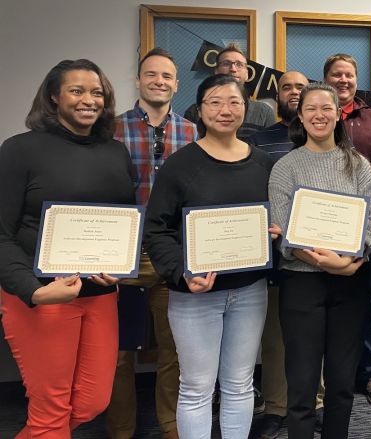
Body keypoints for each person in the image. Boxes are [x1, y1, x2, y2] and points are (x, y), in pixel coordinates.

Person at [0, 58, 136, 436]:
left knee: (94, 401)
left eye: (97, 92)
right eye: (76, 91)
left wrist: (119, 263)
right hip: (43, 294)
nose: (88, 100)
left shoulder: (116, 152)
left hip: (99, 292)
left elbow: (122, 221)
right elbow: (1, 234)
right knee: (51, 408)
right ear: (54, 97)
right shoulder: (19, 150)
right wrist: (35, 290)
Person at [144, 73, 281, 438]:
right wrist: (180, 273)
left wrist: (276, 233)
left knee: (239, 384)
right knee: (196, 388)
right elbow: (156, 229)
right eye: (215, 102)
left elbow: (278, 221)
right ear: (200, 110)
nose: (225, 110)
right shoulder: (180, 165)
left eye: (234, 102)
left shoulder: (265, 165)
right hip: (194, 295)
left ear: (246, 108)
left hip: (250, 291)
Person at [269, 82, 371, 439]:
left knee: (342, 382)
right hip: (301, 284)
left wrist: (348, 264)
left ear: (338, 114)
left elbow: (369, 225)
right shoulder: (286, 167)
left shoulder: (359, 165)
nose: (319, 115)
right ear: (300, 115)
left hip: (351, 283)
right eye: (310, 108)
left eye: (326, 108)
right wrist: (327, 262)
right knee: (301, 386)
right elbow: (284, 231)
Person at [106, 47, 197, 439]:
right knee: (119, 355)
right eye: (151, 74)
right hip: (123, 255)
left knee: (173, 353)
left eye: (167, 76)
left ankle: (171, 428)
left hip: (171, 254)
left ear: (177, 84)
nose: (159, 81)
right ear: (139, 80)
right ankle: (120, 431)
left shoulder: (191, 131)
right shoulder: (111, 128)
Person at [323, 53, 371, 407]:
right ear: (326, 79)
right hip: (324, 228)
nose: (344, 80)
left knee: (369, 301)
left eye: (349, 75)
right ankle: (335, 378)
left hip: (370, 229)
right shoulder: (317, 115)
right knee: (328, 303)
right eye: (337, 75)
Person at [248, 70, 308, 439]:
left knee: (312, 336)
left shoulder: (326, 140)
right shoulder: (258, 140)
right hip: (270, 252)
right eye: (287, 87)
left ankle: (313, 403)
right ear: (277, 96)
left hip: (316, 256)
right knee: (274, 338)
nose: (295, 92)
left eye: (301, 87)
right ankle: (276, 406)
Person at [184, 43, 276, 140]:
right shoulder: (194, 111)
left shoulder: (264, 112)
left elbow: (269, 150)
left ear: (247, 74)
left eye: (239, 64)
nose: (233, 69)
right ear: (216, 71)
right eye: (226, 64)